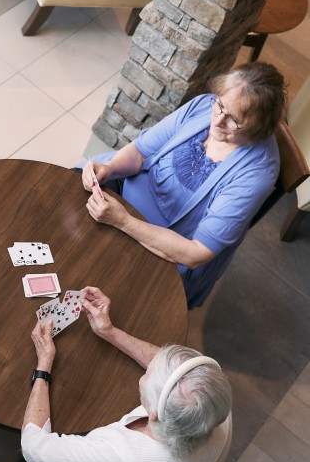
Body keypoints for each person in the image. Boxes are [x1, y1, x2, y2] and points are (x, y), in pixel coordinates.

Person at [21, 286, 232, 462]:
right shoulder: (217, 406)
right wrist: (109, 331)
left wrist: (43, 366)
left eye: (150, 373)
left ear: (154, 414)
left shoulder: (117, 458)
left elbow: (34, 447)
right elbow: (184, 375)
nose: (150, 364)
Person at [81, 62, 287, 308]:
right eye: (220, 105)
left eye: (233, 120)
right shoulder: (203, 105)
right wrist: (110, 168)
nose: (218, 121)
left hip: (165, 247)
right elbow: (140, 152)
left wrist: (123, 221)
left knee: (99, 285)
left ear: (258, 128)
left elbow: (196, 253)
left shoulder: (256, 173)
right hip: (120, 202)